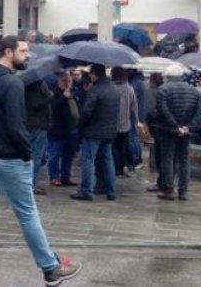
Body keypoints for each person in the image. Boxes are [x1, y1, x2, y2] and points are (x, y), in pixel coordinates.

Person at [0, 36, 80, 287]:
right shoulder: (12, 84)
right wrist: (27, 155)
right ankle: (50, 268)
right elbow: (16, 125)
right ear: (8, 52)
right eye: (23, 51)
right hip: (9, 158)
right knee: (27, 214)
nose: (28, 56)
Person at [71, 64, 119, 202]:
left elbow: (86, 112)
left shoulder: (95, 90)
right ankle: (111, 191)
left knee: (88, 160)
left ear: (95, 75)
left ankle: (87, 191)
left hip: (93, 131)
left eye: (91, 74)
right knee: (108, 159)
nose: (89, 76)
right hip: (109, 131)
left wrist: (80, 123)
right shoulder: (113, 90)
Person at [154, 64, 201, 200]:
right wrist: (188, 126)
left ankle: (168, 189)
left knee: (168, 159)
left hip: (167, 130)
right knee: (184, 160)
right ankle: (183, 190)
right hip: (186, 131)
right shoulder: (194, 91)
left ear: (168, 77)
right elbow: (200, 111)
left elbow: (163, 110)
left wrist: (176, 127)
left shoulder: (163, 90)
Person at [47, 71, 78, 188]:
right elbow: (51, 108)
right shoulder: (53, 92)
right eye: (65, 81)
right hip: (56, 129)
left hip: (71, 129)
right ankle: (54, 176)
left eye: (69, 81)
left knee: (68, 155)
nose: (67, 83)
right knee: (54, 154)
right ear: (59, 81)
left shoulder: (73, 92)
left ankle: (66, 176)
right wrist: (63, 98)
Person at [24, 75, 53, 195]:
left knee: (31, 156)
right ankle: (30, 184)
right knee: (35, 157)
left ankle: (28, 182)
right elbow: (35, 104)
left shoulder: (25, 84)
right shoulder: (34, 86)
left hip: (33, 124)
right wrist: (49, 97)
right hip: (36, 125)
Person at [110, 66, 139, 178]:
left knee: (113, 148)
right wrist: (135, 122)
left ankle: (115, 169)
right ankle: (121, 169)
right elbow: (134, 108)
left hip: (112, 124)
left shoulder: (111, 88)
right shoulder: (129, 89)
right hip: (125, 125)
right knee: (123, 147)